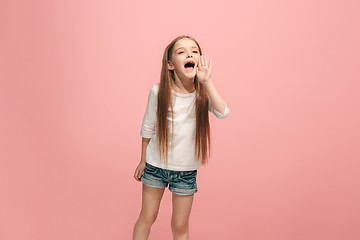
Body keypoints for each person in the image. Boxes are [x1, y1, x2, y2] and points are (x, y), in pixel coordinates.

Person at [132, 35, 230, 240]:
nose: (189, 54)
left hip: (185, 173)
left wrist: (208, 81)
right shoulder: (157, 92)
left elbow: (223, 112)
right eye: (181, 51)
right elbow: (147, 128)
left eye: (194, 51)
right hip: (155, 166)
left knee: (179, 225)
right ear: (170, 64)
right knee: (147, 217)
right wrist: (142, 160)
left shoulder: (203, 94)